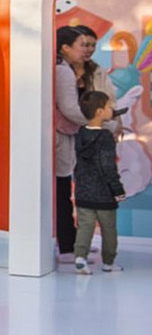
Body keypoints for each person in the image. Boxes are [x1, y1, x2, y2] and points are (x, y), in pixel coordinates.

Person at [73, 91, 126, 274]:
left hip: (83, 191)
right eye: (109, 106)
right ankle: (108, 262)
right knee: (108, 229)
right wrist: (117, 190)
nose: (112, 110)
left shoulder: (80, 134)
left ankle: (80, 257)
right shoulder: (105, 138)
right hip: (104, 194)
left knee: (85, 226)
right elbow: (108, 167)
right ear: (99, 112)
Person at [55, 26, 90, 261]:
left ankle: (70, 243)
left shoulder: (62, 69)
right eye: (82, 45)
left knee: (62, 192)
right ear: (65, 47)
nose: (86, 50)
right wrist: (97, 121)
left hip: (61, 137)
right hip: (61, 138)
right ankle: (68, 246)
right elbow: (69, 108)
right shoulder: (64, 72)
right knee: (62, 192)